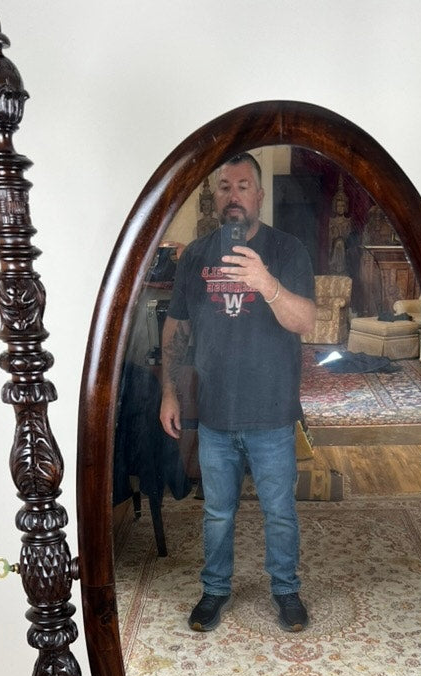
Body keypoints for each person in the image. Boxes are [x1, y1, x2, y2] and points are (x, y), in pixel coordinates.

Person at [159, 153, 317, 633]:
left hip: (271, 413)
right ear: (216, 196)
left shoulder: (288, 251)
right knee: (217, 513)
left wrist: (265, 283)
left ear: (260, 195)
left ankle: (285, 589)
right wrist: (169, 392)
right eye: (224, 186)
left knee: (279, 512)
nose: (233, 196)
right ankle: (215, 590)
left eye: (243, 186)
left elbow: (306, 321)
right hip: (215, 415)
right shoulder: (197, 257)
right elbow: (176, 330)